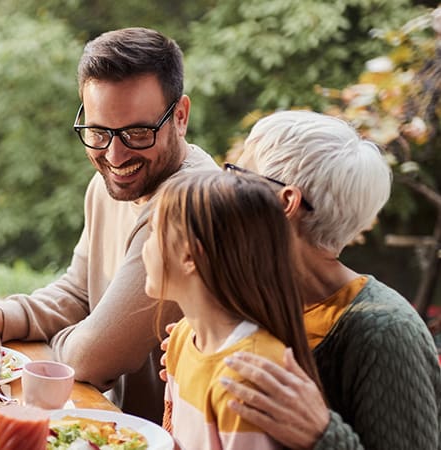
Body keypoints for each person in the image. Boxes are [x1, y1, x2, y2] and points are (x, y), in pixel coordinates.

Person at [0, 27, 218, 423]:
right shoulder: (110, 185)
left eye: (136, 132)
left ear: (180, 116)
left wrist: (44, 348)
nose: (114, 155)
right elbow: (79, 291)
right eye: (98, 131)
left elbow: (91, 358)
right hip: (106, 420)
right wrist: (0, 317)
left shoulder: (190, 205)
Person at [189, 111, 440, 449]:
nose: (224, 186)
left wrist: (322, 434)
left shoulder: (387, 332)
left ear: (286, 202)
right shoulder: (254, 298)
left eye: (237, 174)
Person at [145, 171, 322, 449]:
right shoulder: (182, 336)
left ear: (190, 255)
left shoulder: (247, 378)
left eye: (153, 232)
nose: (145, 247)